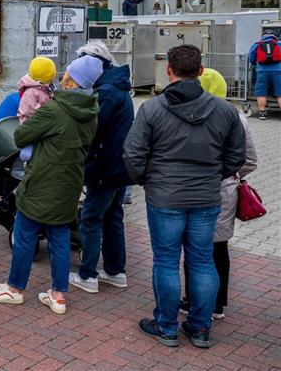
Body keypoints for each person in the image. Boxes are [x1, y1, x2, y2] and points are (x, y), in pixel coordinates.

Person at [124, 45, 246, 348]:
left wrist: (148, 181)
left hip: (165, 197)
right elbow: (236, 157)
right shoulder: (225, 111)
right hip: (205, 197)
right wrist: (212, 176)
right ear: (200, 70)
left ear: (169, 70)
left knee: (166, 261)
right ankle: (200, 327)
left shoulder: (151, 109)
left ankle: (166, 326)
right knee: (202, 260)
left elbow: (133, 154)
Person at [0, 55, 102, 316]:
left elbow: (21, 135)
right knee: (59, 237)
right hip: (70, 183)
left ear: (70, 80)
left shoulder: (54, 110)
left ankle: (14, 289)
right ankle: (58, 295)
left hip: (42, 181)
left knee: (24, 232)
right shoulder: (91, 112)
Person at [175, 68, 259, 322]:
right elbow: (250, 160)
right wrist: (230, 175)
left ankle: (193, 300)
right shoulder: (237, 118)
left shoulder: (187, 115)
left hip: (193, 190)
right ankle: (217, 303)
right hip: (225, 192)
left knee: (193, 248)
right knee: (218, 248)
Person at [68, 42, 136, 294]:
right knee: (113, 216)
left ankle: (88, 274)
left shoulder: (106, 91)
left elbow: (92, 129)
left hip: (104, 165)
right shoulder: (117, 87)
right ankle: (115, 271)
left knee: (92, 217)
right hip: (119, 164)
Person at [15, 56, 57, 163]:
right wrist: (46, 110)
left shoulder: (46, 88)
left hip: (42, 123)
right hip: (30, 124)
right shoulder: (31, 91)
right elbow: (28, 110)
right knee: (28, 152)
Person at [248, 31, 281, 120]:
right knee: (280, 93)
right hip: (278, 71)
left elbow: (251, 57)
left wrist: (255, 63)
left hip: (262, 71)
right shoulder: (279, 43)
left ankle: (262, 113)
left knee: (261, 92)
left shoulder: (257, 44)